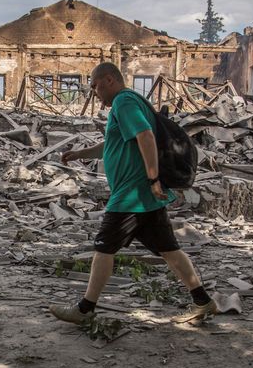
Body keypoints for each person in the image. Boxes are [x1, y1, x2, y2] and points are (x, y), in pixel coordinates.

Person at [49, 62, 215, 325]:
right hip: (142, 198)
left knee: (104, 247)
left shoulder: (123, 102)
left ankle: (85, 309)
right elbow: (114, 142)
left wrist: (153, 179)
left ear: (109, 81)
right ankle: (203, 301)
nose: (94, 92)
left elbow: (146, 136)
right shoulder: (133, 102)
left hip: (132, 195)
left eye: (95, 86)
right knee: (169, 250)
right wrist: (81, 153)